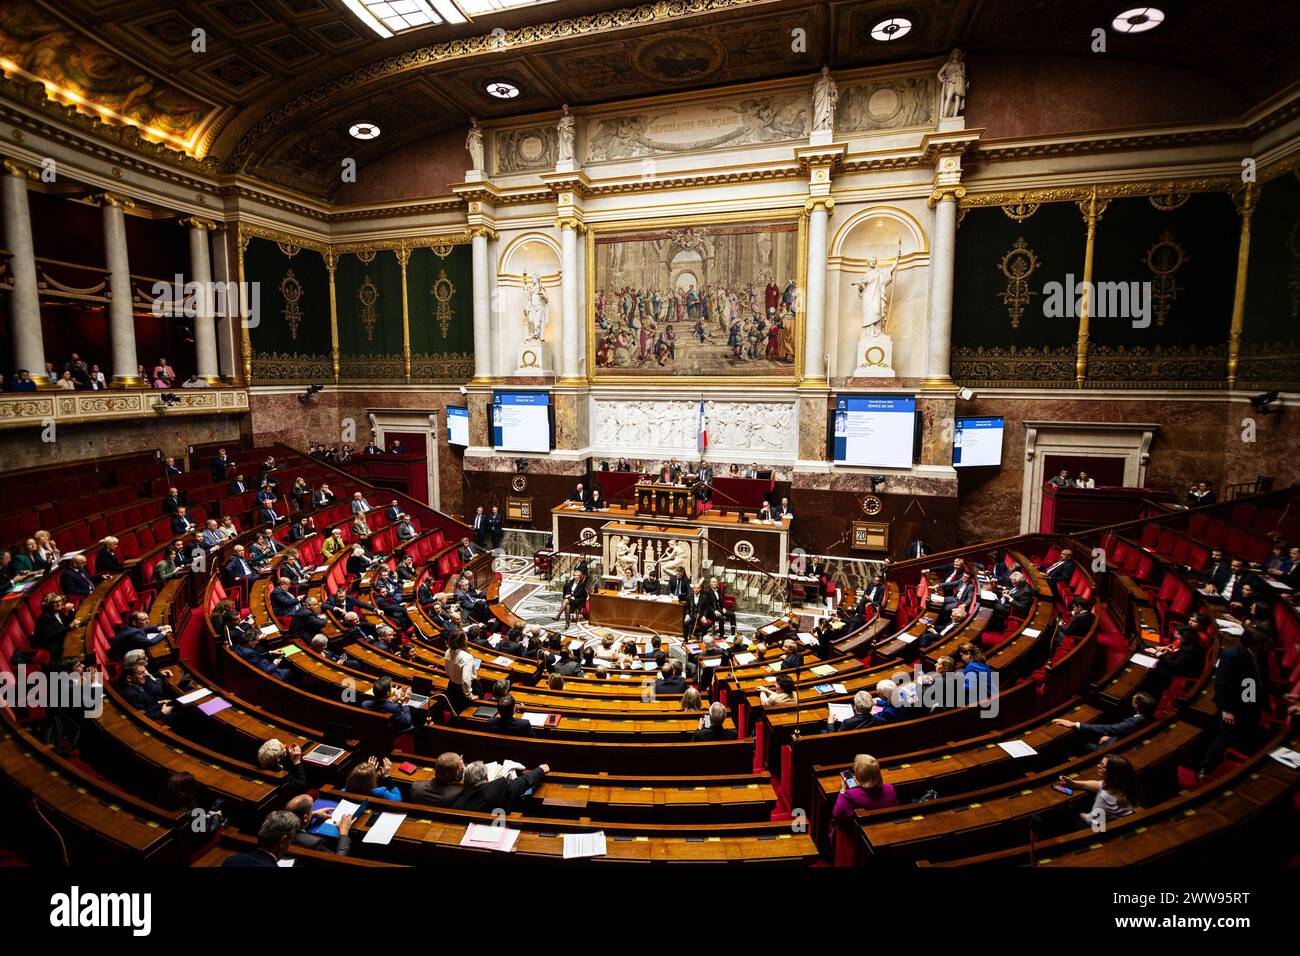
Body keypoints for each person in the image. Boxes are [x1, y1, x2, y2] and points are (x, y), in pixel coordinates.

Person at [1198, 626, 1264, 778]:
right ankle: (1205, 768)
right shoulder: (1232, 655)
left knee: (1244, 733)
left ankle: (1236, 765)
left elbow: (1259, 678)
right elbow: (1222, 683)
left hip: (1249, 700)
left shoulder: (1258, 654)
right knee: (1226, 736)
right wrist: (1226, 709)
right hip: (1233, 705)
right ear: (1255, 643)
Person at [1061, 754, 1141, 829]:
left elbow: (1092, 822)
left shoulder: (1104, 797)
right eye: (1100, 763)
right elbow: (1099, 784)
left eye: (1103, 766)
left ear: (1112, 773)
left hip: (1106, 828)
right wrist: (1074, 783)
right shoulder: (1124, 783)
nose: (1098, 766)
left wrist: (1077, 813)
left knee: (1068, 818)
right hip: (1120, 818)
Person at [1054, 692, 1155, 750]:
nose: (1132, 697)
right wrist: (1111, 735)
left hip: (1108, 750)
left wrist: (1075, 724)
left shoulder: (1134, 722)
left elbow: (1109, 729)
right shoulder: (1148, 717)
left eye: (1134, 698)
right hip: (1117, 739)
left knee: (1079, 740)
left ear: (1136, 705)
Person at [451, 760, 549, 813]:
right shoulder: (498, 787)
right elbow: (522, 782)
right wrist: (540, 770)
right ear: (486, 776)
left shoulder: (458, 803)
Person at [831, 755, 898, 830]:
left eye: (855, 770)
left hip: (858, 836)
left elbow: (836, 814)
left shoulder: (851, 795)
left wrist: (843, 790)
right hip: (887, 828)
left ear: (858, 776)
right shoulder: (890, 788)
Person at [1145, 624, 1206, 694]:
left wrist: (1157, 653)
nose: (1176, 639)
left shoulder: (1190, 650)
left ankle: (1151, 692)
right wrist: (1169, 648)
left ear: (1185, 637)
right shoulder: (1190, 643)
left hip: (1181, 674)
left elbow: (1175, 664)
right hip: (1181, 667)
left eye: (1178, 637)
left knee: (1152, 671)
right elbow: (1180, 654)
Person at [286, 793, 352, 856]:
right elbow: (338, 860)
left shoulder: (277, 824)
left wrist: (312, 814)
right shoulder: (316, 842)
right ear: (305, 817)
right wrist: (344, 833)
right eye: (311, 809)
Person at [444, 630, 478, 706]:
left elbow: (447, 671)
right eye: (466, 637)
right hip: (463, 691)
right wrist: (469, 695)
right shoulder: (467, 657)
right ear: (462, 641)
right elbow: (466, 680)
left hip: (452, 686)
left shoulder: (447, 651)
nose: (467, 638)